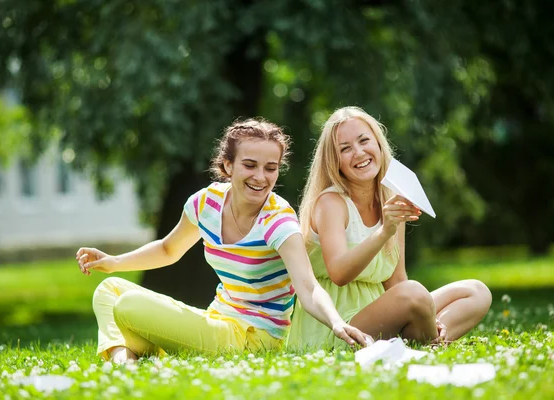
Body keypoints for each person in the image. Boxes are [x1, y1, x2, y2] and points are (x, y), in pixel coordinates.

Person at [76, 118, 373, 364]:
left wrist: (336, 323)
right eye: (250, 165)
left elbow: (308, 286)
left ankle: (132, 359)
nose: (260, 177)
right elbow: (168, 249)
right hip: (218, 319)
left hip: (253, 339)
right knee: (108, 290)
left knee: (129, 306)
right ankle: (123, 364)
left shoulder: (278, 220)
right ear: (228, 166)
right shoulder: (206, 203)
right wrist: (114, 262)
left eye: (270, 168)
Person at [287, 107, 492, 350]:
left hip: (382, 313)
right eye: (345, 149)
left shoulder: (391, 198)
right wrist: (384, 231)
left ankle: (433, 338)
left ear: (379, 144)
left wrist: (425, 313)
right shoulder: (331, 203)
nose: (359, 152)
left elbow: (396, 281)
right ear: (335, 162)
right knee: (414, 293)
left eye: (364, 141)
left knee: (476, 292)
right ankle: (430, 345)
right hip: (341, 325)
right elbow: (339, 274)